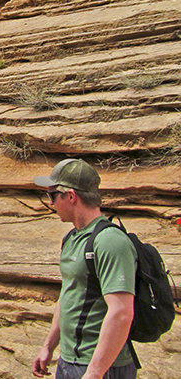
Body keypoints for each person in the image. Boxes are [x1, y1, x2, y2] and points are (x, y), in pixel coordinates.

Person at [32, 159, 137, 379]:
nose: (50, 203)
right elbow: (69, 294)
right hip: (70, 362)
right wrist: (49, 347)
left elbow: (121, 312)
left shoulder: (110, 242)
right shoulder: (72, 238)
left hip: (102, 367)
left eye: (52, 195)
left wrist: (94, 373)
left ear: (71, 196)